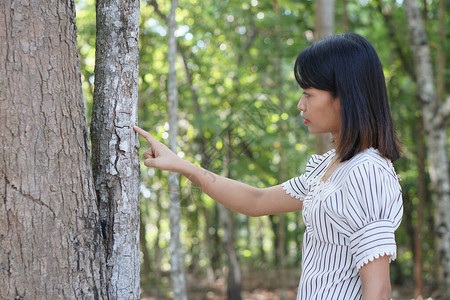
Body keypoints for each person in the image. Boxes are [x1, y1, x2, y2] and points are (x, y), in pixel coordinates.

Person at [134, 32, 403, 300]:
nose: (300, 105)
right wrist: (182, 165)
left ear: (345, 95)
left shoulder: (367, 172)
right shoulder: (330, 167)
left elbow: (378, 290)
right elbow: (256, 201)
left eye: (309, 94)